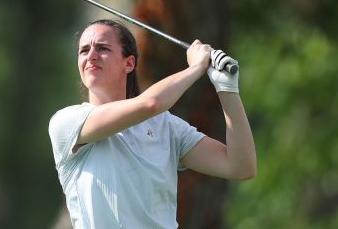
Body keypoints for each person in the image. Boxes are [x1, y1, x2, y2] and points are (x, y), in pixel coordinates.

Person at [48, 19, 257, 228]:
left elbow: (241, 167)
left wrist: (227, 90)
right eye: (84, 50)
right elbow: (150, 103)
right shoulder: (67, 123)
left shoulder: (166, 127)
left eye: (102, 48)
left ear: (129, 63)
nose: (91, 55)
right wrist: (196, 68)